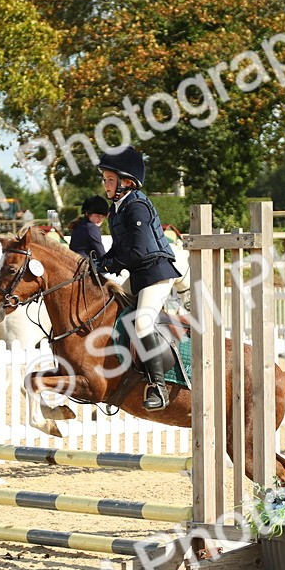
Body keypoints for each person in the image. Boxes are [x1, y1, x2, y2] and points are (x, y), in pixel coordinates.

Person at [96, 146, 180, 411]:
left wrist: (110, 263)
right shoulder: (118, 209)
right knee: (109, 309)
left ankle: (159, 388)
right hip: (138, 273)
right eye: (105, 179)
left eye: (110, 180)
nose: (105, 185)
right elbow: (119, 249)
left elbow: (139, 251)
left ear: (127, 182)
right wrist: (97, 264)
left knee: (142, 324)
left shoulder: (138, 206)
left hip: (156, 274)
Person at [69, 196, 109, 261]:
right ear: (88, 214)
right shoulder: (92, 227)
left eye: (103, 217)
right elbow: (100, 252)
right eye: (97, 216)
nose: (100, 219)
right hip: (84, 265)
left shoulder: (79, 224)